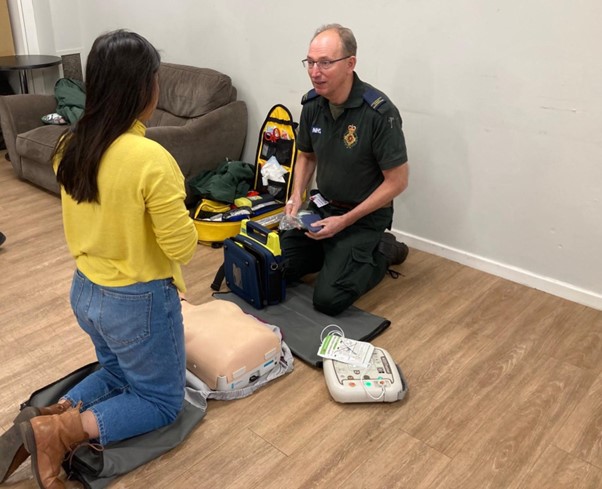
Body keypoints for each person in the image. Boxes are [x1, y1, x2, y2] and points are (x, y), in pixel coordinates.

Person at [0, 30, 198, 488]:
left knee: (114, 370)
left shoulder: (71, 145)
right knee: (161, 401)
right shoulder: (151, 158)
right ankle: (60, 432)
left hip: (86, 293)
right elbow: (183, 247)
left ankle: (40, 420)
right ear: (144, 87)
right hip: (137, 303)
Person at [281, 24, 409, 316]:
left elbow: (398, 182)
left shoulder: (379, 113)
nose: (315, 71)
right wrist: (296, 197)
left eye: (325, 63)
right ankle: (336, 255)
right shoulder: (313, 103)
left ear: (350, 63)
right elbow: (306, 155)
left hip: (362, 218)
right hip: (323, 208)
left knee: (328, 299)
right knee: (280, 268)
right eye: (310, 62)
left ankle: (383, 250)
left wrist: (346, 220)